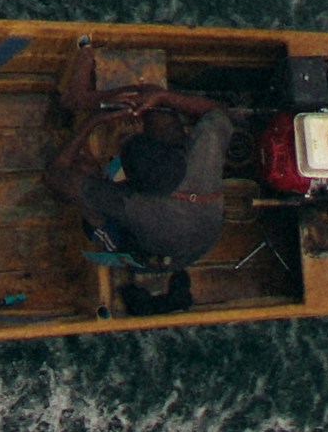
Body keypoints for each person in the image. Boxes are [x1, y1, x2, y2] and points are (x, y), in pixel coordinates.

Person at [43, 48, 235, 272]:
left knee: (79, 173)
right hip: (200, 222)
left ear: (129, 185)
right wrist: (162, 97)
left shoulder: (133, 206)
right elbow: (219, 113)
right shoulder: (203, 156)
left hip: (155, 254)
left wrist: (94, 122)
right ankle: (80, 99)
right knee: (153, 103)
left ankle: (85, 104)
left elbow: (53, 176)